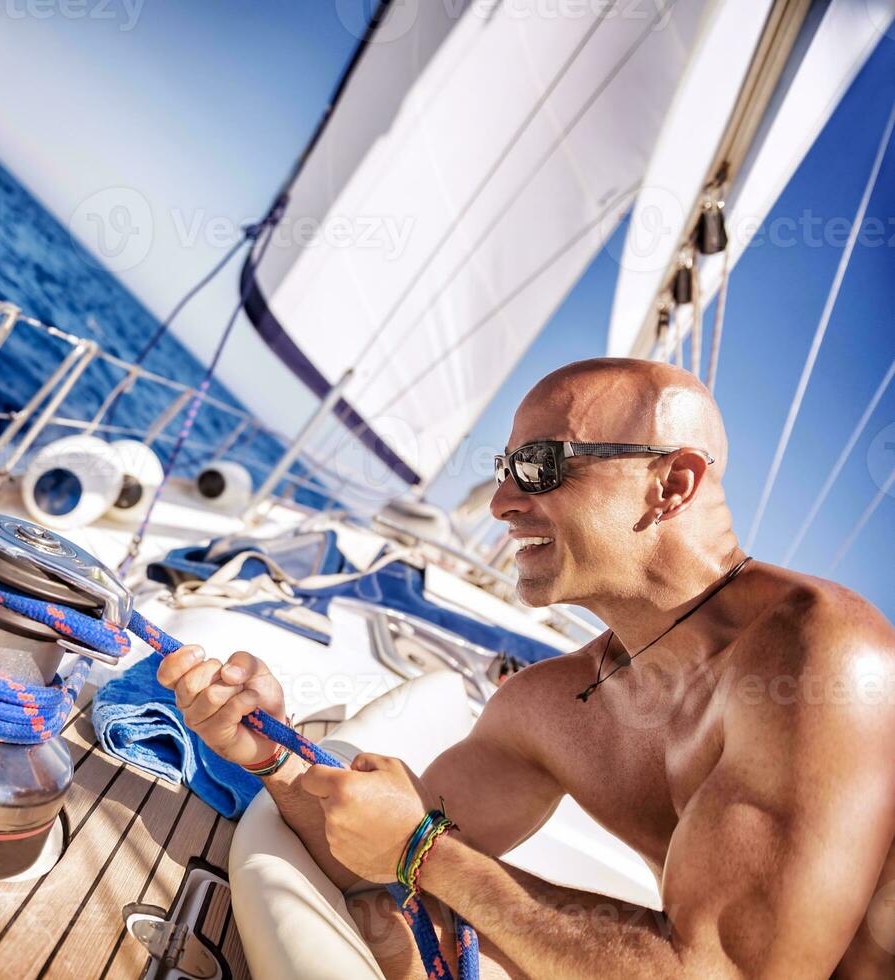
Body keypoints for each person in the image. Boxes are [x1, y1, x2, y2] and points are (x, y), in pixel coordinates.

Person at [159, 358, 895, 977]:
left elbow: (725, 972)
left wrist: (426, 852)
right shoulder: (556, 707)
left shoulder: (823, 656)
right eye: (505, 469)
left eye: (540, 467)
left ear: (673, 485)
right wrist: (267, 752)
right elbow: (362, 854)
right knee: (385, 924)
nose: (504, 504)